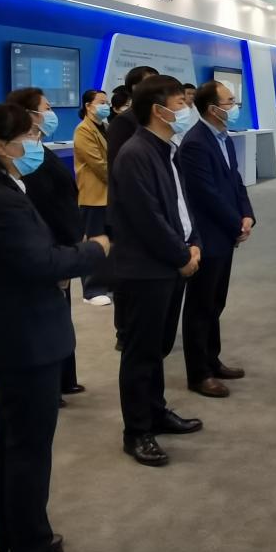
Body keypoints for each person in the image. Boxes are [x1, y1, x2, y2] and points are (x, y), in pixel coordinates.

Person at [0, 103, 107, 552]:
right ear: (0, 145)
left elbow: (23, 257)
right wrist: (94, 250)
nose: (38, 142)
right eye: (30, 135)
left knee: (13, 443)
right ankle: (31, 549)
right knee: (27, 452)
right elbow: (41, 262)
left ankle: (14, 538)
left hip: (16, 336)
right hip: (24, 342)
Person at [110, 75, 203, 466]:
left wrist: (193, 241)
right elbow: (147, 218)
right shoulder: (135, 154)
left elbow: (180, 205)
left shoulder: (166, 148)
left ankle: (156, 411)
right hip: (145, 270)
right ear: (158, 111)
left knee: (157, 347)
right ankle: (137, 431)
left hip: (168, 264)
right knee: (140, 352)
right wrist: (181, 256)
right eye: (180, 103)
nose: (187, 109)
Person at [6, 87, 86, 402]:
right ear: (28, 114)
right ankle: (51, 385)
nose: (51, 113)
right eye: (46, 107)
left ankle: (65, 379)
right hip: (48, 248)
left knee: (60, 317)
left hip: (62, 244)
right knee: (46, 321)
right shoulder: (24, 159)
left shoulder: (40, 149)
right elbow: (42, 206)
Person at [177, 82, 255, 398]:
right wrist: (236, 223)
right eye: (230, 102)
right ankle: (199, 373)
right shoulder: (195, 143)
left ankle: (212, 359)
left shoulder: (223, 138)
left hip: (225, 233)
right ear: (213, 109)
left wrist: (247, 214)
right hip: (208, 235)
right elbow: (205, 194)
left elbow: (235, 181)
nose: (235, 107)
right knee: (200, 305)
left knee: (215, 302)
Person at [106, 65, 158, 351]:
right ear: (134, 89)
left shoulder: (154, 119)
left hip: (153, 207)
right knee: (128, 277)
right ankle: (124, 333)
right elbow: (119, 170)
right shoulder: (124, 123)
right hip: (128, 212)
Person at [73, 89, 112, 306]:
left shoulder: (105, 127)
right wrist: (120, 178)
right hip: (93, 195)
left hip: (109, 195)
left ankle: (107, 283)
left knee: (110, 242)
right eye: (101, 102)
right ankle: (91, 289)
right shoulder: (83, 130)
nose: (105, 106)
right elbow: (98, 164)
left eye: (107, 102)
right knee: (94, 242)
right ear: (88, 106)